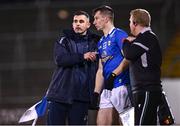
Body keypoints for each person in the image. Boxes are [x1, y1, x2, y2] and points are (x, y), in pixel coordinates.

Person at [46, 10, 99, 125]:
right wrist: (83, 56)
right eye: (75, 21)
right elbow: (60, 59)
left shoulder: (96, 43)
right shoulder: (63, 40)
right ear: (72, 24)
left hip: (81, 97)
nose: (78, 24)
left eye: (81, 21)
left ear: (88, 25)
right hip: (60, 95)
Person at [91, 5, 131, 125]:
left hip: (121, 85)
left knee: (124, 122)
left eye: (97, 18)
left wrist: (114, 75)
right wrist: (96, 92)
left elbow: (128, 58)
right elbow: (100, 69)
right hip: (107, 88)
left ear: (106, 19)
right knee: (102, 123)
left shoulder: (119, 34)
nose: (94, 22)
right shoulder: (101, 41)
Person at [122, 9, 163, 125]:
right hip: (145, 90)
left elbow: (128, 54)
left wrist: (125, 41)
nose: (129, 25)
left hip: (147, 90)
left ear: (135, 23)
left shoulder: (147, 37)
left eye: (130, 22)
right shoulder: (144, 38)